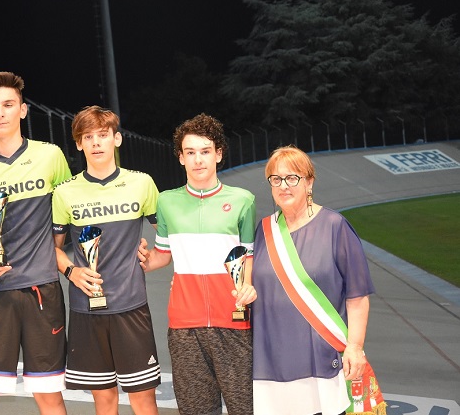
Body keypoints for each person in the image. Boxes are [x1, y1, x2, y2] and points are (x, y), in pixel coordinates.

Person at [0, 71, 71, 415]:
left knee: (49, 395)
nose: (0, 112)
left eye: (8, 104)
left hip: (42, 291)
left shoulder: (51, 157)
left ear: (22, 110)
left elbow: (69, 214)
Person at [139, 113, 256, 415]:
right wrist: (138, 259)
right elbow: (163, 254)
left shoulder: (243, 200)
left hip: (234, 322)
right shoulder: (167, 201)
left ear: (218, 154)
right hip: (184, 326)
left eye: (205, 151)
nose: (198, 159)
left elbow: (249, 257)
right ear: (181, 158)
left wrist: (248, 288)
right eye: (190, 152)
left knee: (246, 408)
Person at [251, 145, 382, 415]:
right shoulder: (263, 231)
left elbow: (357, 296)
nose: (283, 186)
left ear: (309, 182)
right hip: (271, 364)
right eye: (276, 179)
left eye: (292, 178)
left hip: (322, 362)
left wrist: (355, 347)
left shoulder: (335, 226)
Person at [52, 106, 161, 415]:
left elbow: (168, 235)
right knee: (104, 399)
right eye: (88, 137)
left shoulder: (141, 183)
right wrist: (72, 271)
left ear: (117, 139)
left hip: (131, 305)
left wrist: (154, 257)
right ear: (79, 144)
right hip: (87, 308)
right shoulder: (64, 192)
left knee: (143, 399)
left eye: (102, 135)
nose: (96, 143)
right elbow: (53, 248)